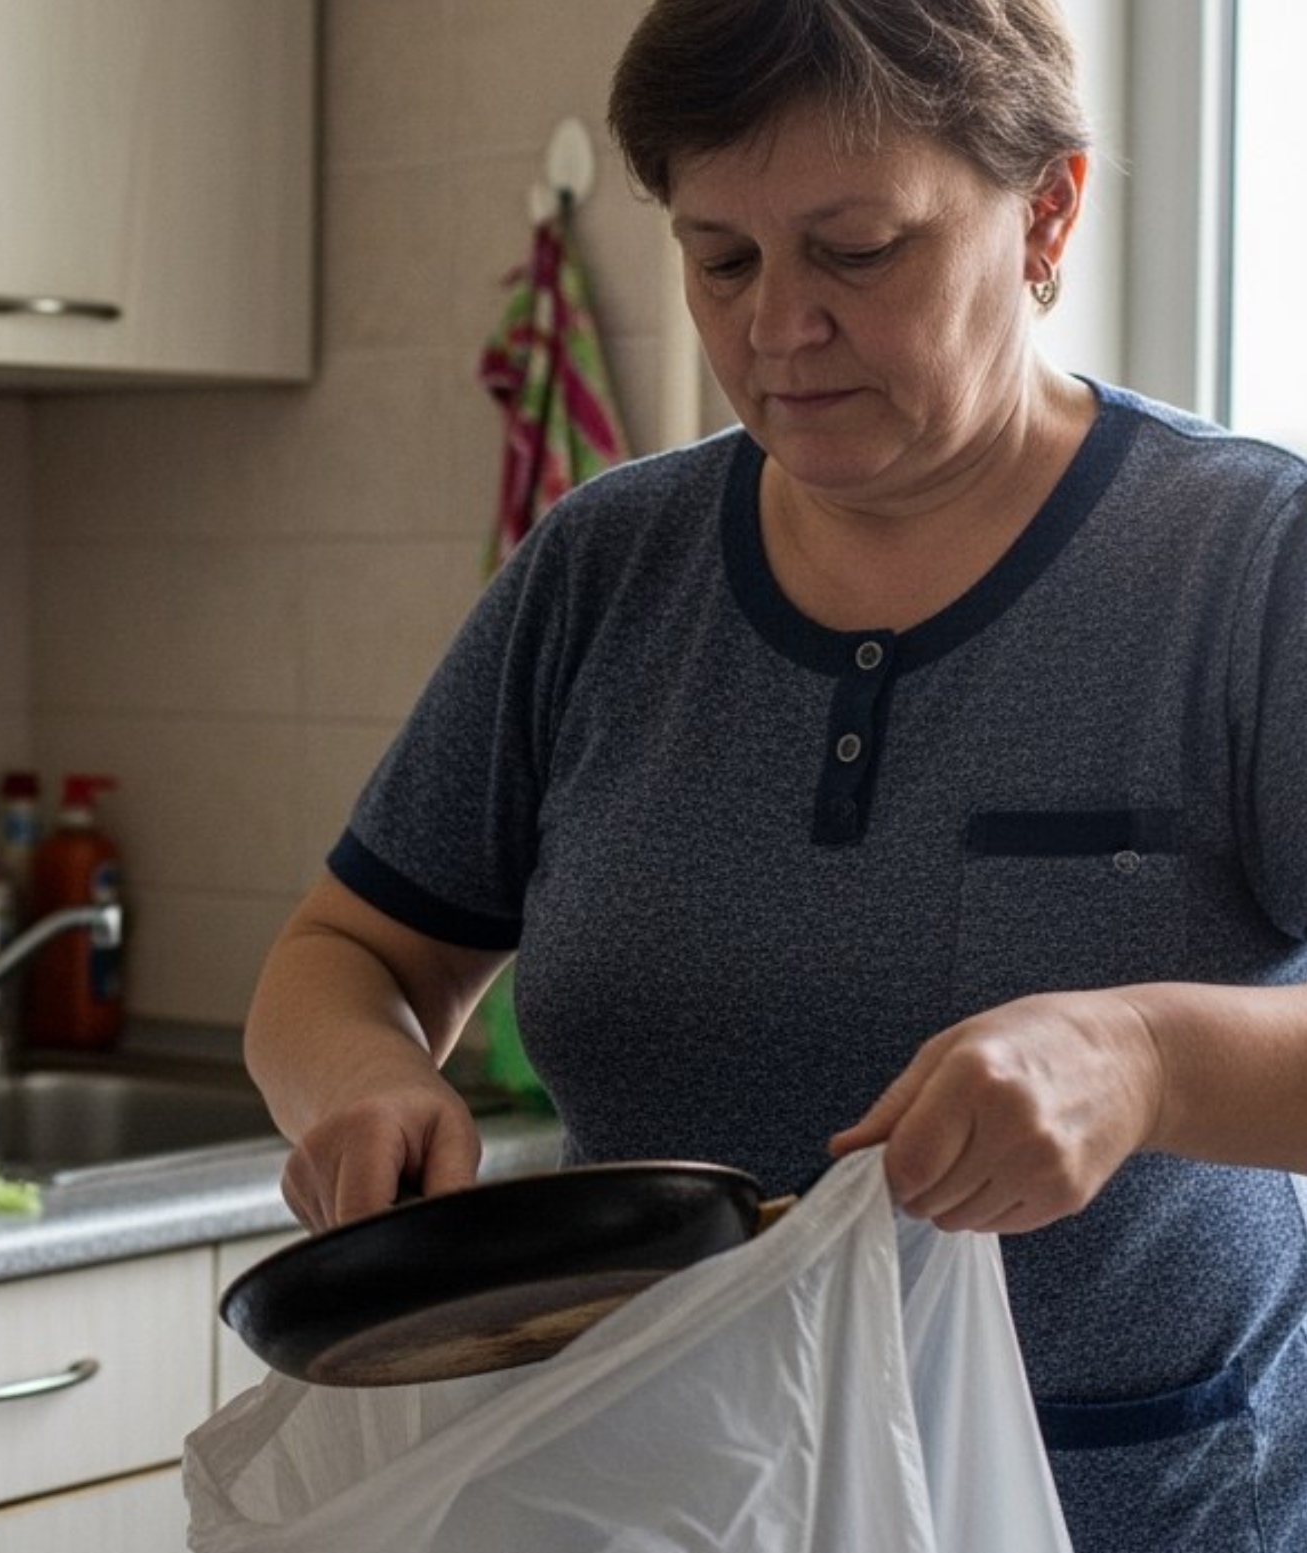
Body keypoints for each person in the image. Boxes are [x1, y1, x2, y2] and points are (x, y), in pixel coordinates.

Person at [243, 1, 1307, 1547]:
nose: (778, 325)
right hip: (639, 1505)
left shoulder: (1252, 562)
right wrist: (363, 1081)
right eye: (723, 259)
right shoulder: (606, 568)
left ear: (1047, 211)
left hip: (1127, 1505)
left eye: (858, 251)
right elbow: (348, 953)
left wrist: (1146, 1057)